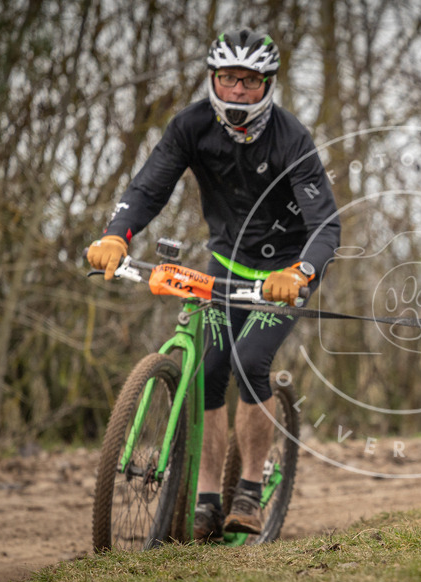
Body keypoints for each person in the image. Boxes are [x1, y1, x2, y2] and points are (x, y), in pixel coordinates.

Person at [87, 28, 340, 540]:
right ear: (212, 80)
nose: (237, 92)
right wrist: (117, 234)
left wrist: (301, 273)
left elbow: (326, 225)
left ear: (267, 83)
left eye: (249, 81)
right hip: (226, 264)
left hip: (283, 273)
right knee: (206, 373)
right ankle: (204, 501)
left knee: (250, 363)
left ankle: (247, 491)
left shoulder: (291, 138)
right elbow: (148, 186)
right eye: (228, 79)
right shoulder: (191, 126)